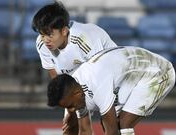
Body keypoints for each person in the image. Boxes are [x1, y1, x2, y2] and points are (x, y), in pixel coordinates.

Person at [32, 1, 117, 134]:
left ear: (64, 31)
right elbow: (57, 79)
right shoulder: (42, 44)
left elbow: (99, 78)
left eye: (49, 34)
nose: (45, 40)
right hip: (77, 81)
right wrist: (70, 108)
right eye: (42, 34)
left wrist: (78, 111)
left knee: (111, 126)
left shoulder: (85, 39)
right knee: (71, 127)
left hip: (108, 76)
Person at [47, 46, 176, 135]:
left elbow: (113, 132)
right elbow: (84, 131)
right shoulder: (72, 92)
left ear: (78, 94)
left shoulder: (96, 83)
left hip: (159, 72)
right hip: (132, 78)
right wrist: (70, 116)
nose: (71, 110)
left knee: (123, 124)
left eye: (70, 106)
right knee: (108, 123)